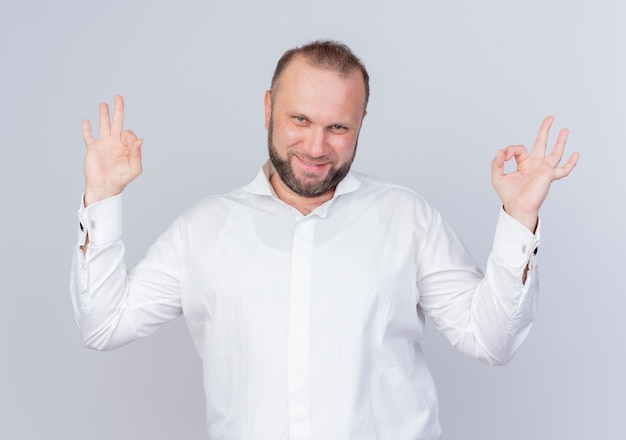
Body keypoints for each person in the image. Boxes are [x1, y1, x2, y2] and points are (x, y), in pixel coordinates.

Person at [71, 40, 578, 439]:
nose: (316, 147)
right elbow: (104, 324)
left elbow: (492, 340)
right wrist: (101, 196)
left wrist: (519, 215)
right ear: (268, 108)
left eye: (338, 126)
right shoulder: (202, 230)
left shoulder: (405, 218)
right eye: (300, 119)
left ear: (360, 125)